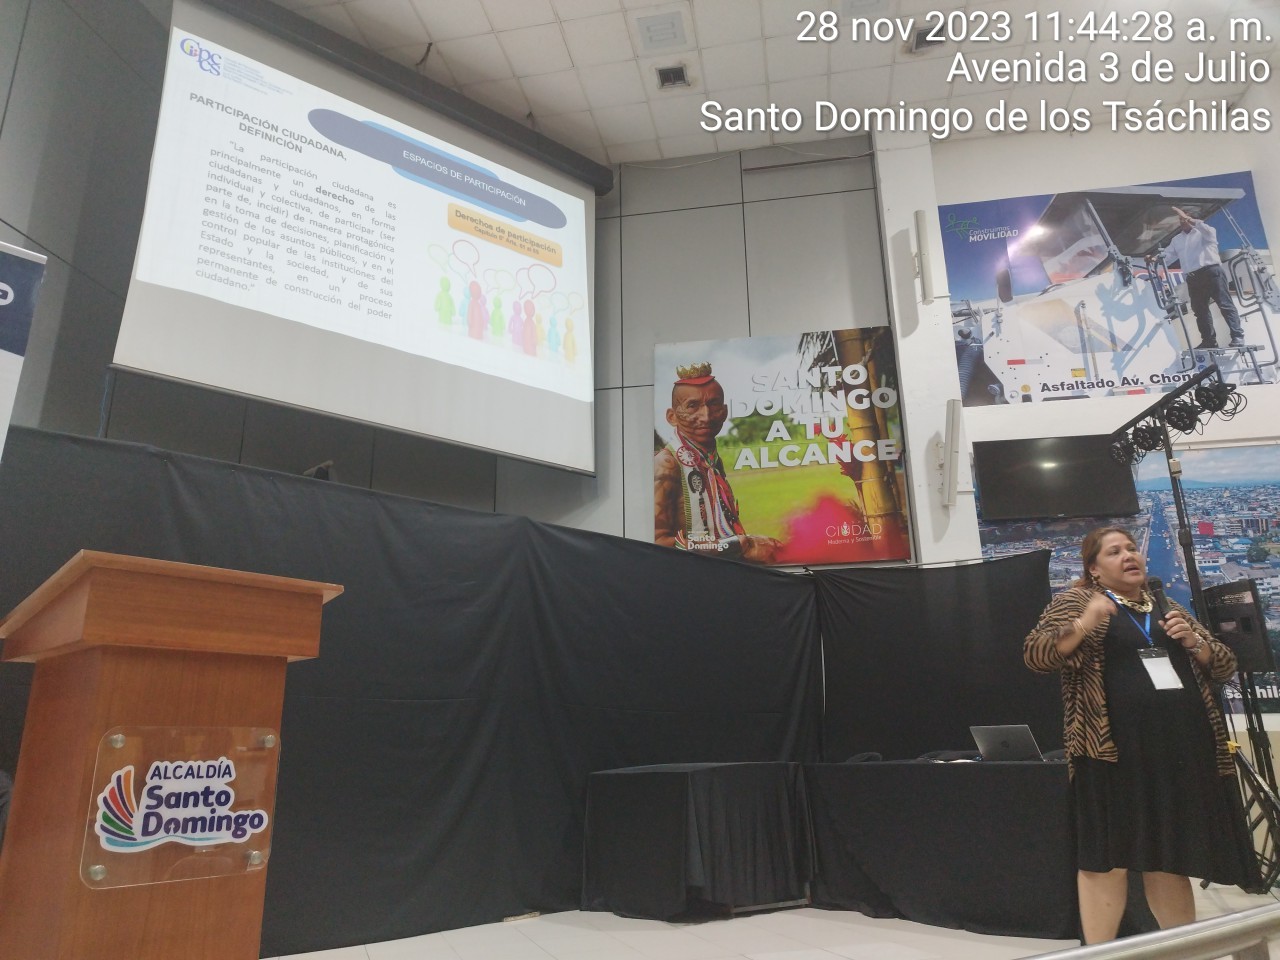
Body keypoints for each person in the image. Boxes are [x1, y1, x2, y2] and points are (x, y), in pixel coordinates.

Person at [1024, 526, 1253, 944]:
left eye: (1132, 548)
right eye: (1115, 552)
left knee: (1169, 858)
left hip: (1177, 750)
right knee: (1106, 860)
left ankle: (1184, 950)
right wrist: (1086, 621)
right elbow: (1037, 655)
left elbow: (1224, 665)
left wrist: (1195, 643)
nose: (1130, 555)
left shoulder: (1166, 605)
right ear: (1094, 568)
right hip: (1111, 753)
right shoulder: (1077, 602)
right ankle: (1100, 953)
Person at [654, 363, 780, 563]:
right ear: (672, 416)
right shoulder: (666, 464)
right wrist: (736, 546)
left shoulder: (711, 460)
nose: (706, 416)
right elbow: (657, 543)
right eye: (692, 406)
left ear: (725, 411)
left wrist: (747, 543)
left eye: (714, 405)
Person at [1164, 206, 1246, 349]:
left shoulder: (1206, 232)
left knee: (1225, 304)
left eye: (1184, 219)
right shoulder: (1177, 239)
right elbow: (1167, 255)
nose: (1181, 222)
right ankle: (1209, 341)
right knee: (1200, 311)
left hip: (1211, 272)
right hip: (1193, 278)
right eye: (1180, 220)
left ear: (1192, 219)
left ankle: (1237, 336)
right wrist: (1153, 259)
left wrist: (1189, 219)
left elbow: (1206, 230)